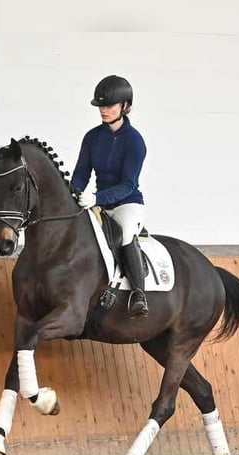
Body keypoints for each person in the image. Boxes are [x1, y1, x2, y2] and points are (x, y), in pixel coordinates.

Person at [72, 74, 149, 318]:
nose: (103, 110)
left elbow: (129, 184)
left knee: (124, 232)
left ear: (125, 107)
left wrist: (96, 198)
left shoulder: (135, 142)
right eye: (101, 106)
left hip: (127, 204)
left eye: (109, 105)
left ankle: (138, 293)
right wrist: (73, 193)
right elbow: (81, 174)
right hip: (98, 204)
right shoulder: (92, 137)